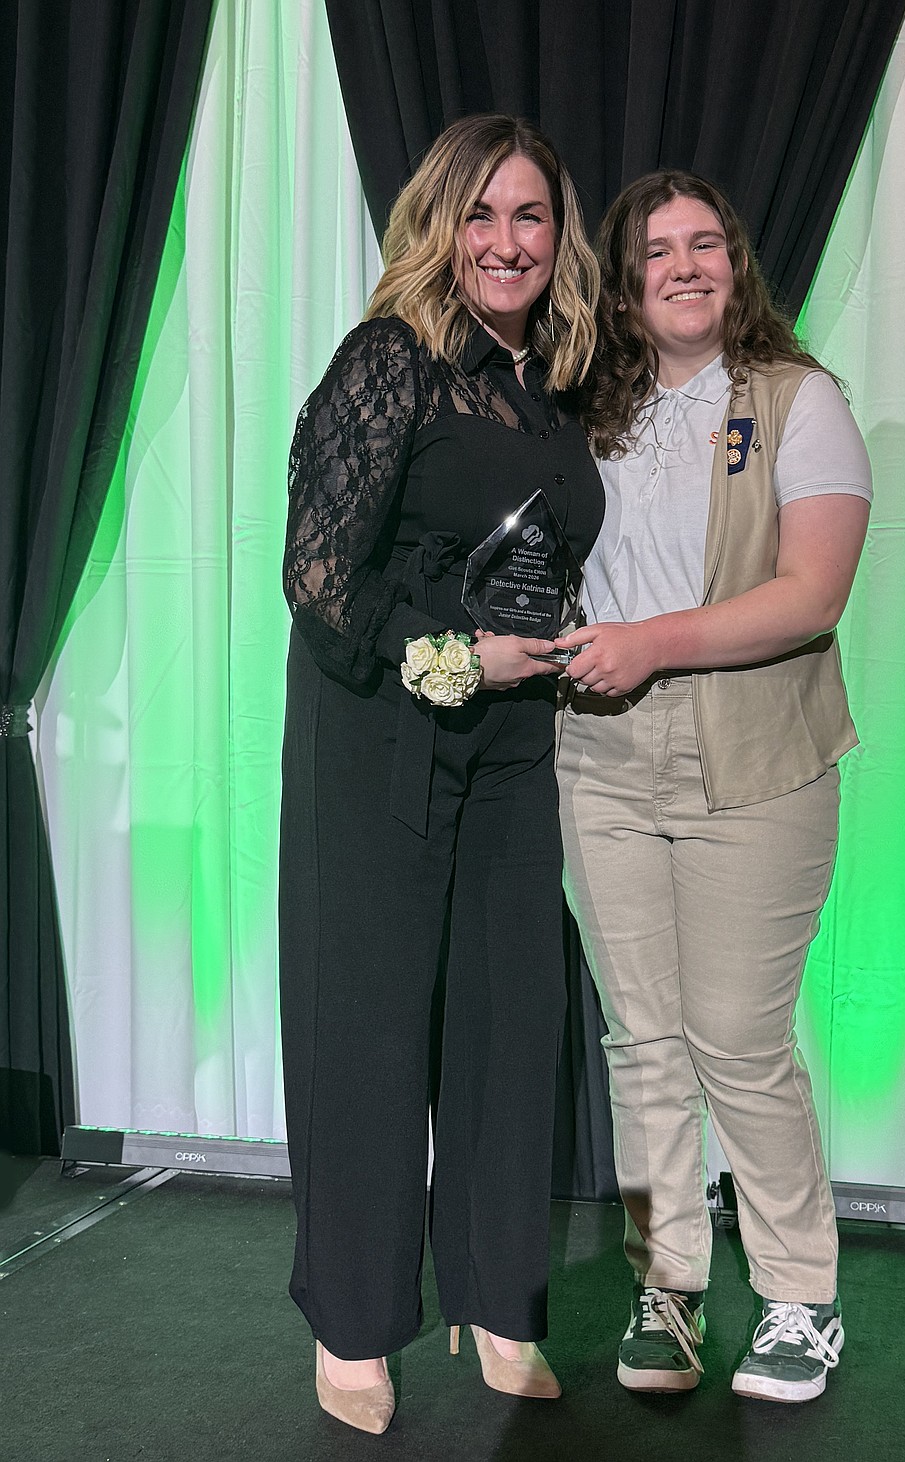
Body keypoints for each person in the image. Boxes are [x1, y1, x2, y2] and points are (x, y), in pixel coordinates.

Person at [279, 114, 602, 1434]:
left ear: (556, 235)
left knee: (507, 1027)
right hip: (385, 732)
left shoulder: (564, 381)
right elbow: (315, 581)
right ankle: (354, 1325)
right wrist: (460, 659)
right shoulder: (391, 360)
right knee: (367, 1031)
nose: (505, 241)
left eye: (527, 215)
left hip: (517, 744)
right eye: (480, 215)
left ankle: (497, 1296)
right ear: (438, 226)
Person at [555, 170, 871, 1404]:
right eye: (656, 250)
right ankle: (668, 1285)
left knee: (739, 1041)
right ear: (627, 282)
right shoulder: (585, 407)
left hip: (757, 759)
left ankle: (799, 1297)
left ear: (736, 265)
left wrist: (651, 641)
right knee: (645, 1043)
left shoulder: (802, 401)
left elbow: (813, 594)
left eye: (705, 245)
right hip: (599, 753)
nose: (684, 265)